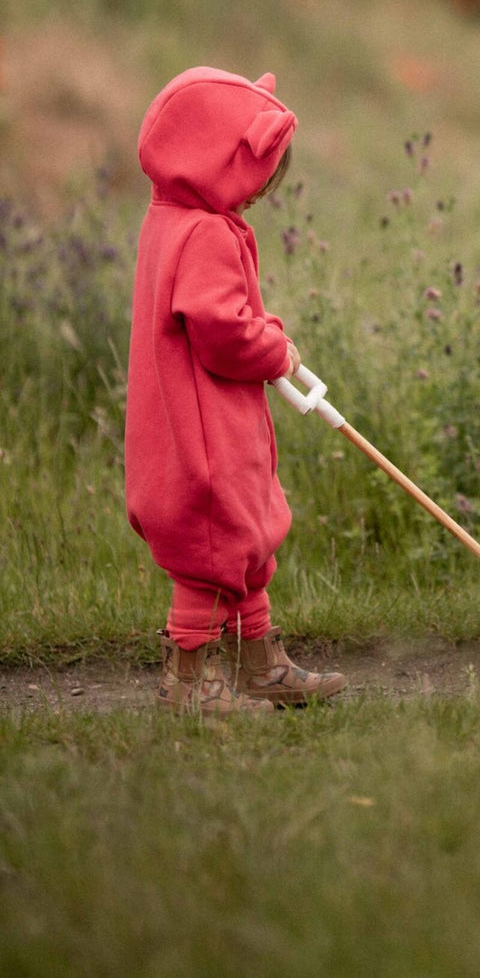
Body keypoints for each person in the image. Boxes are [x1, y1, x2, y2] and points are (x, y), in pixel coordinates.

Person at [124, 66, 346, 716]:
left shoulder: (170, 217)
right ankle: (190, 680)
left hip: (197, 421)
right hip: (204, 435)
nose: (254, 198)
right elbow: (221, 332)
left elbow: (212, 312)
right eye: (254, 184)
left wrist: (265, 332)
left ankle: (260, 662)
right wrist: (273, 347)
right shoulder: (207, 233)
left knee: (243, 539)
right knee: (213, 548)